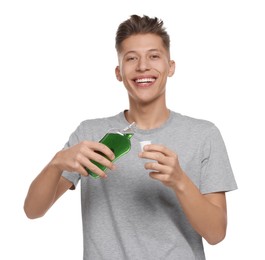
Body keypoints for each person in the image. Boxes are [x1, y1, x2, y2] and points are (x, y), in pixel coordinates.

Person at [24, 14, 238, 260]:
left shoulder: (204, 135)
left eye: (154, 56)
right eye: (131, 58)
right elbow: (33, 210)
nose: (143, 66)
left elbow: (216, 234)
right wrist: (57, 162)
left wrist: (180, 181)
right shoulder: (90, 134)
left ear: (171, 67)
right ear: (118, 72)